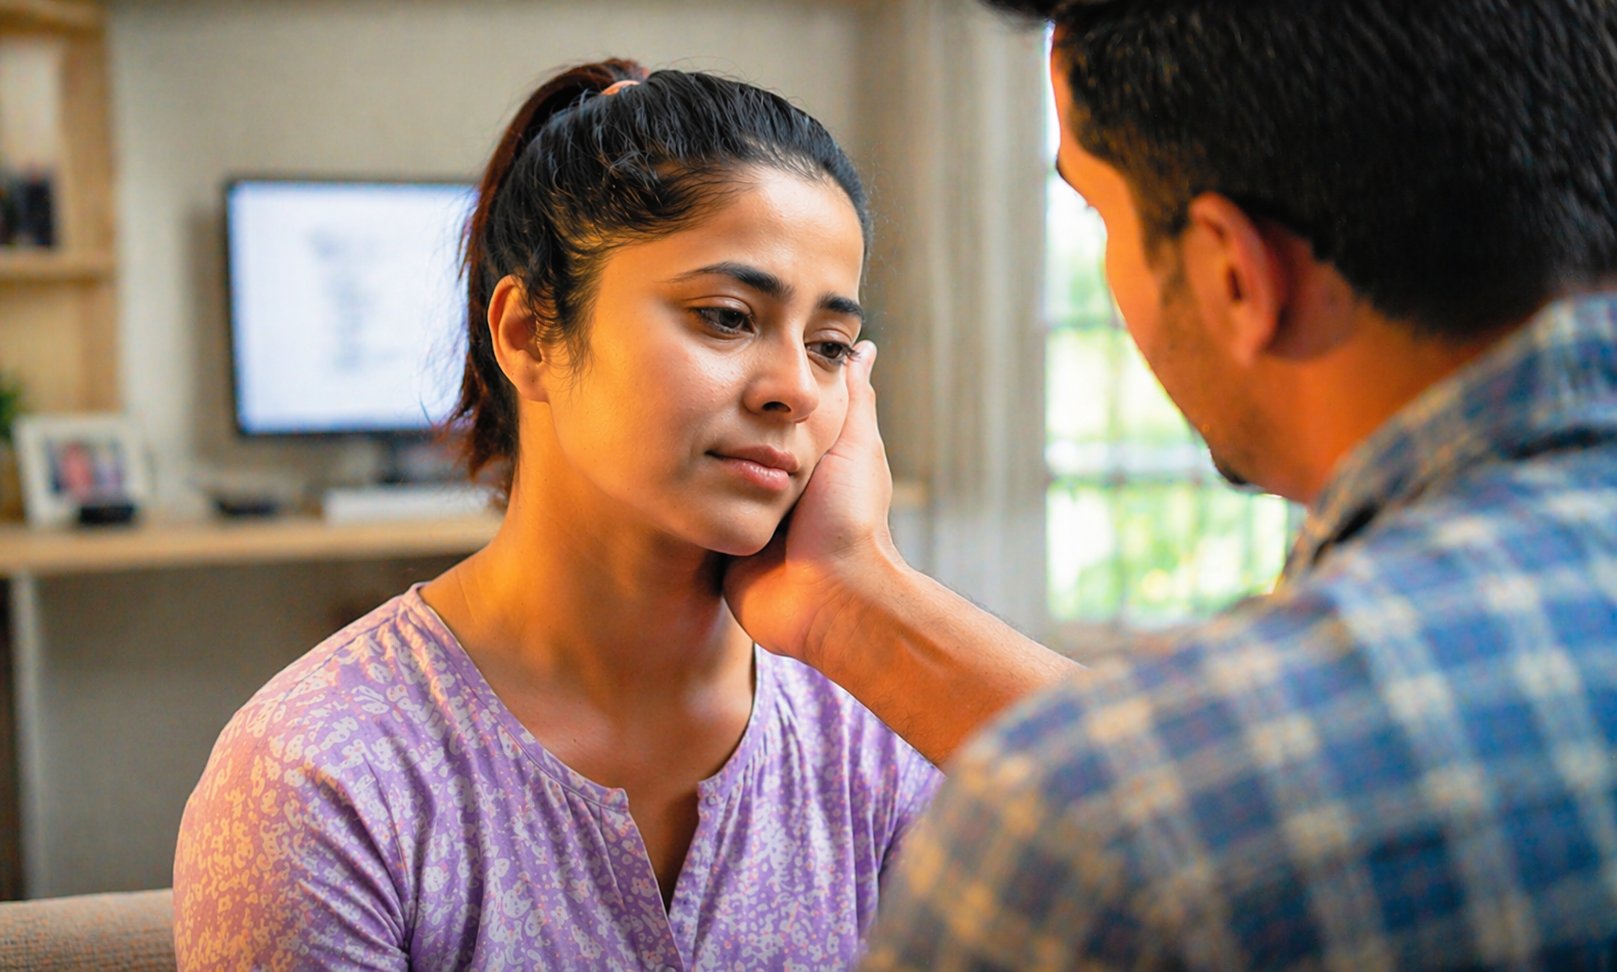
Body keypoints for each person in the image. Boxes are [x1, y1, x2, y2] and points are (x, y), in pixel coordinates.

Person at [722, 0, 1617, 967]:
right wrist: (854, 600)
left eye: (1098, 210)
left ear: (1234, 272)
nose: (788, 389)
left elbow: (1157, 811)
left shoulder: (1106, 843)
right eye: (725, 316)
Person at [173, 60, 940, 969]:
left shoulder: (872, 737)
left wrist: (869, 595)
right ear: (529, 334)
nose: (795, 392)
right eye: (728, 317)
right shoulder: (324, 774)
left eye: (829, 347)